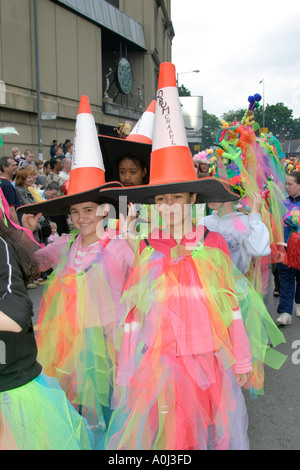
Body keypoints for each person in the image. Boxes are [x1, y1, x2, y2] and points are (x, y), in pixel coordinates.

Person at [0, 205, 93, 450]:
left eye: (89, 210)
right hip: (69, 333)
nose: (81, 218)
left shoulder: (116, 245)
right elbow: (33, 264)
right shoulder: (67, 244)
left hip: (103, 335)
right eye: (75, 211)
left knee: (103, 396)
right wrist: (25, 235)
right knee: (77, 390)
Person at [276, 171, 300, 326]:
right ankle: (285, 312)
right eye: (286, 184)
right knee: (285, 279)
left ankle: (299, 302)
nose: (287, 187)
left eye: (290, 184)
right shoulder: (282, 204)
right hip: (284, 249)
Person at [0, 157, 21, 225]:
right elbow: (11, 209)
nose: (16, 167)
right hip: (10, 225)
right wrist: (18, 229)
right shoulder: (7, 186)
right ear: (4, 168)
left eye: (16, 165)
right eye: (13, 165)